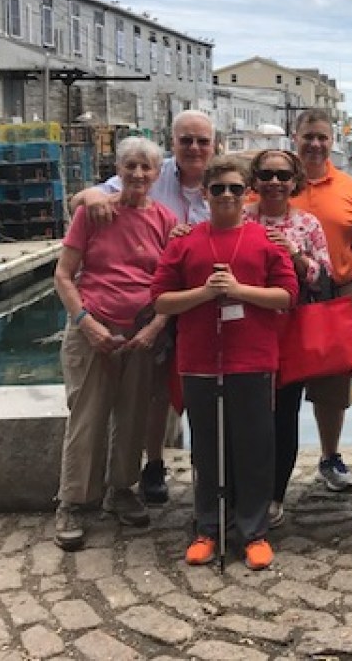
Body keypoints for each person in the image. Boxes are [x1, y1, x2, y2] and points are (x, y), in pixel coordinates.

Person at [151, 156, 298, 570]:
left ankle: (253, 531)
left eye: (236, 188)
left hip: (252, 359)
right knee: (207, 447)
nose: (228, 196)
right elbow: (160, 298)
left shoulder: (266, 241)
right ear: (206, 194)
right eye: (219, 189)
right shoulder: (183, 243)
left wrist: (239, 290)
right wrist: (203, 293)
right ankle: (208, 527)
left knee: (255, 447)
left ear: (246, 191)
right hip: (199, 360)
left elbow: (287, 296)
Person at [71, 110, 216, 505]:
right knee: (154, 393)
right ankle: (152, 465)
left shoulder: (219, 181)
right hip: (151, 306)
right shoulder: (150, 170)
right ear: (173, 142)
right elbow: (91, 197)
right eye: (186, 140)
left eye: (202, 141)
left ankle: (209, 472)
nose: (194, 148)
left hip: (202, 304)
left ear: (214, 145)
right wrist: (92, 195)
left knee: (199, 388)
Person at [51, 137, 176, 550]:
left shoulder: (165, 219)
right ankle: (73, 501)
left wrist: (155, 327)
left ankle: (122, 489)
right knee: (87, 416)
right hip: (94, 327)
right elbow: (64, 275)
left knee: (134, 415)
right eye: (131, 166)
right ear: (117, 170)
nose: (139, 174)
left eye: (147, 167)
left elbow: (173, 284)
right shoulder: (94, 213)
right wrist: (84, 321)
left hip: (139, 332)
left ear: (158, 174)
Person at [244, 148, 334, 529]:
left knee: (284, 414)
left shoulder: (308, 225)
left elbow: (324, 278)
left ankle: (276, 494)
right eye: (267, 175)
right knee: (247, 415)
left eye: (283, 176)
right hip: (245, 329)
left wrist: (296, 254)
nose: (275, 183)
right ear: (255, 181)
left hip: (291, 331)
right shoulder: (240, 216)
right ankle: (245, 490)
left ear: (294, 181)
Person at [289, 109, 352, 493]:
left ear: (332, 140)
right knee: (279, 385)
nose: (316, 144)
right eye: (309, 136)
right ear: (295, 137)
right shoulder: (272, 183)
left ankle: (329, 456)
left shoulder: (349, 188)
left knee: (334, 387)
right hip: (282, 300)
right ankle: (277, 460)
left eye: (323, 137)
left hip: (335, 295)